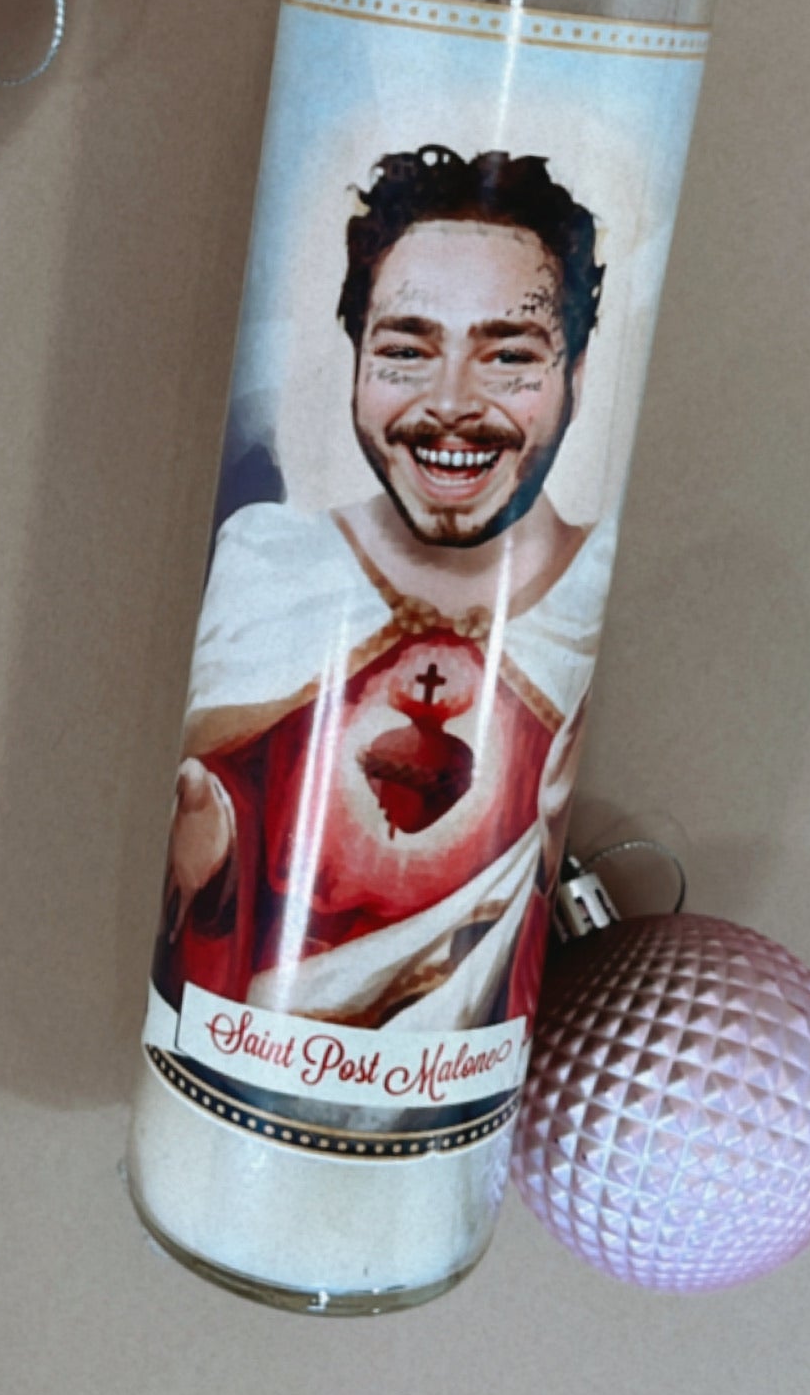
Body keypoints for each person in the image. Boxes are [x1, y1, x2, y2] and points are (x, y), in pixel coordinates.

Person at [153, 146, 613, 1034]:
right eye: (406, 350)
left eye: (507, 355)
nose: (452, 404)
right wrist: (210, 857)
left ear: (578, 375)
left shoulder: (594, 586)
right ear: (356, 360)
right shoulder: (269, 569)